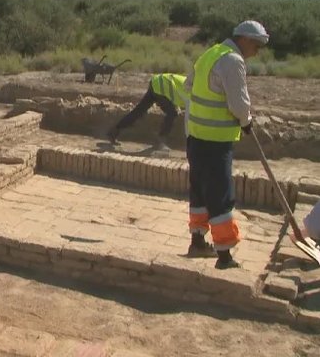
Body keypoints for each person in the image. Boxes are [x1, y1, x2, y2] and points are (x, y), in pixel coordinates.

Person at [184, 20, 269, 269]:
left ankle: (197, 241)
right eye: (256, 44)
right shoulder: (233, 60)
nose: (257, 51)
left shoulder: (211, 53)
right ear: (243, 39)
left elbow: (188, 86)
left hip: (196, 137)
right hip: (216, 141)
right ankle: (224, 256)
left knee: (199, 191)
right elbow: (239, 103)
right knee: (220, 195)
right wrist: (245, 121)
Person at [107, 73, 188, 150]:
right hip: (162, 86)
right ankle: (161, 140)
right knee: (172, 113)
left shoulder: (193, 87)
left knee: (139, 111)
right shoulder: (194, 94)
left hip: (157, 82)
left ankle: (114, 131)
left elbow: (177, 92)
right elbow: (188, 117)